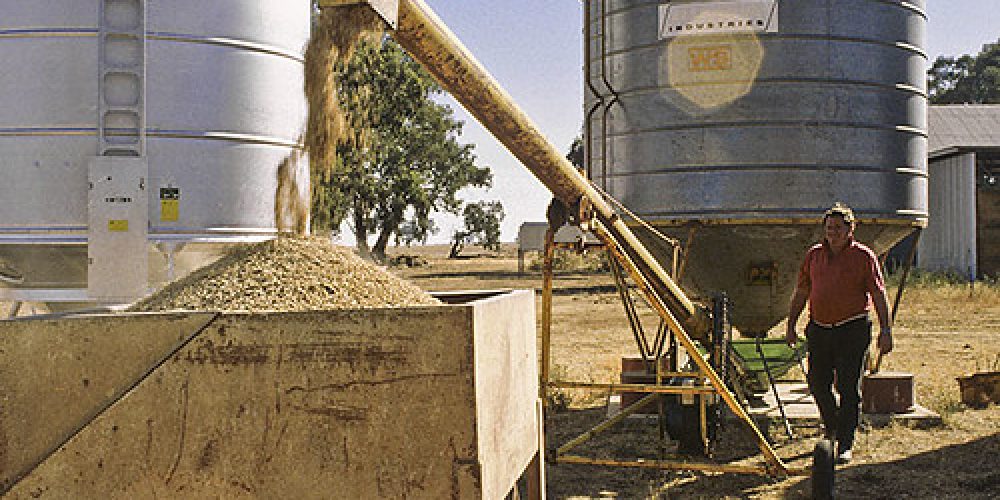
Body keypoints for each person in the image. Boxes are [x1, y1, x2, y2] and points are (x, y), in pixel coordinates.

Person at [785, 202, 893, 464]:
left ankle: (845, 443)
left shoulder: (863, 256)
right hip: (820, 329)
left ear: (850, 229)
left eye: (837, 228)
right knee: (817, 384)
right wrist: (790, 325)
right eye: (828, 228)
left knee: (848, 388)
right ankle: (832, 426)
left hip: (852, 328)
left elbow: (878, 293)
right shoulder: (813, 256)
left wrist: (886, 330)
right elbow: (802, 291)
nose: (832, 232)